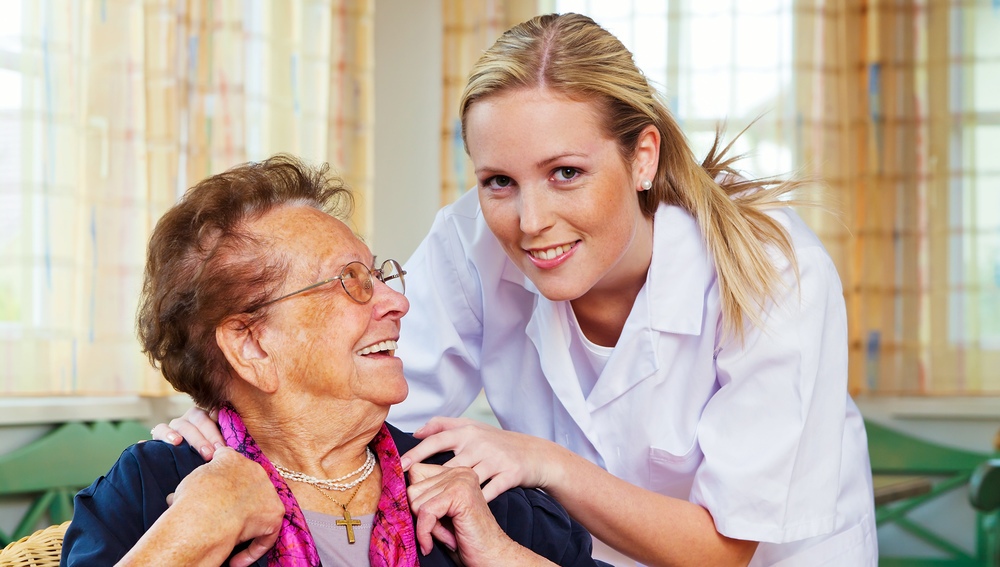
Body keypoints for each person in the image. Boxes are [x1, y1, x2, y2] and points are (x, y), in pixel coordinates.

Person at [154, 13, 877, 567]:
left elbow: (723, 549)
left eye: (566, 172)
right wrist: (235, 417)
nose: (530, 223)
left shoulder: (775, 273)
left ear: (642, 155)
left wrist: (542, 460)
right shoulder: (470, 242)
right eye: (499, 181)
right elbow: (364, 399)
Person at [62, 156, 605, 567]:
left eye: (378, 274)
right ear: (250, 345)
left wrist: (502, 555)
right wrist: (192, 529)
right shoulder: (153, 492)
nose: (398, 302)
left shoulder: (468, 492)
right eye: (351, 281)